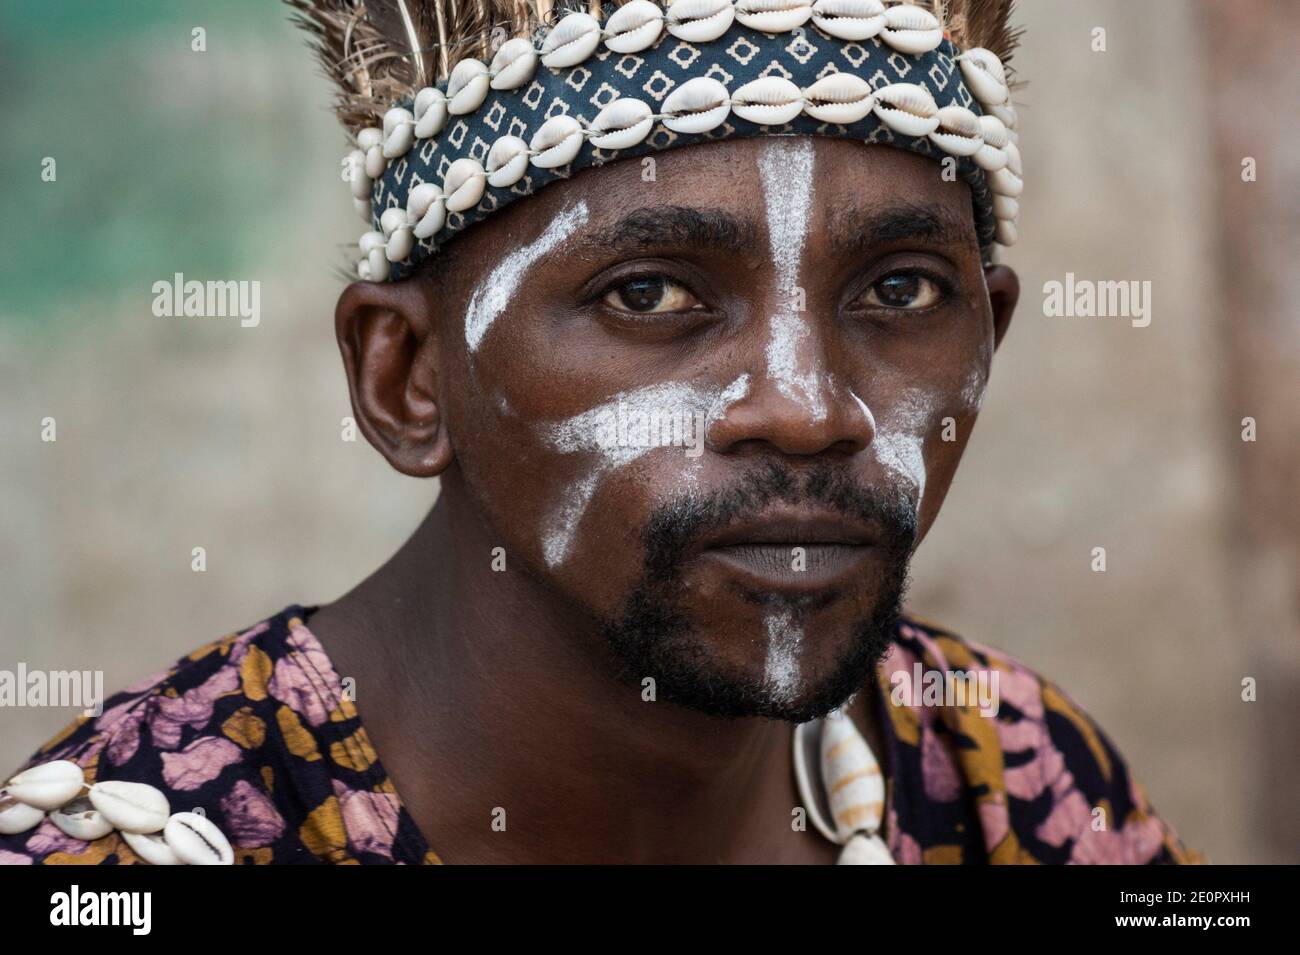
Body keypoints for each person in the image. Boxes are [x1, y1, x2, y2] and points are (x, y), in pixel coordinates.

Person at [0, 0, 1199, 864]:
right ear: (405, 378)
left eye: (897, 291)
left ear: (990, 328)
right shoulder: (128, 856)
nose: (808, 406)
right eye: (648, 294)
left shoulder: (1005, 776)